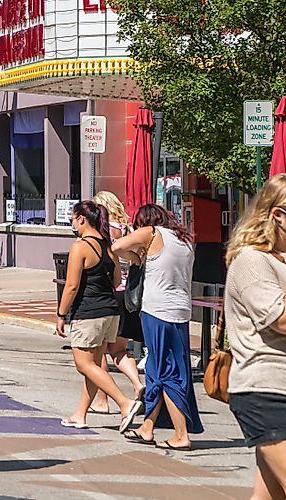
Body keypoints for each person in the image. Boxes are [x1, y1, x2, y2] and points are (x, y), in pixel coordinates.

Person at [224, 174, 286, 499]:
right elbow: (283, 322)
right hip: (266, 390)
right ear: (278, 215)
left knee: (269, 495)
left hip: (285, 388)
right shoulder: (252, 260)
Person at [113, 203, 203, 449]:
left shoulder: (151, 232)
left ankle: (181, 435)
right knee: (156, 368)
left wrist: (136, 257)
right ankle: (147, 427)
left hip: (157, 311)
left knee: (165, 371)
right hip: (181, 310)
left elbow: (116, 246)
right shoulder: (183, 240)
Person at [54, 200, 139, 430]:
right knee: (94, 366)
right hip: (110, 311)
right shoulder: (107, 246)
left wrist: (61, 314)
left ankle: (124, 402)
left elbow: (71, 285)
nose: (72, 223)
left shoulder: (80, 246)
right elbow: (116, 280)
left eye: (73, 219)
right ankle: (80, 414)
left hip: (88, 312)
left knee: (84, 364)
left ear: (82, 219)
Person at [90, 190, 145, 414]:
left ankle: (102, 400)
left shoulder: (104, 231)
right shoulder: (130, 229)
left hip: (110, 293)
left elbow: (108, 253)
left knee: (100, 351)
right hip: (129, 294)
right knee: (120, 349)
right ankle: (137, 383)